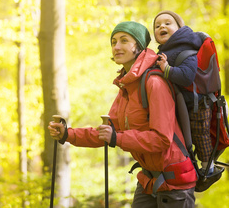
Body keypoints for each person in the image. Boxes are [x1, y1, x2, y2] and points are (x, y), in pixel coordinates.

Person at [49, 21, 196, 207]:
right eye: (113, 42)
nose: (116, 47)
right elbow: (108, 132)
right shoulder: (127, 87)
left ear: (138, 46)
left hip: (175, 183)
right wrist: (67, 134)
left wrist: (117, 138)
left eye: (124, 40)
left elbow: (162, 139)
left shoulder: (154, 83)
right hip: (149, 180)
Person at [153, 11, 214, 175]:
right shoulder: (165, 52)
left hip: (197, 104)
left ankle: (209, 166)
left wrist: (167, 69)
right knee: (183, 138)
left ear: (180, 28)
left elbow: (187, 77)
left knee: (200, 135)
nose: (162, 27)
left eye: (167, 23)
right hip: (181, 105)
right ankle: (188, 164)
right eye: (157, 26)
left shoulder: (187, 49)